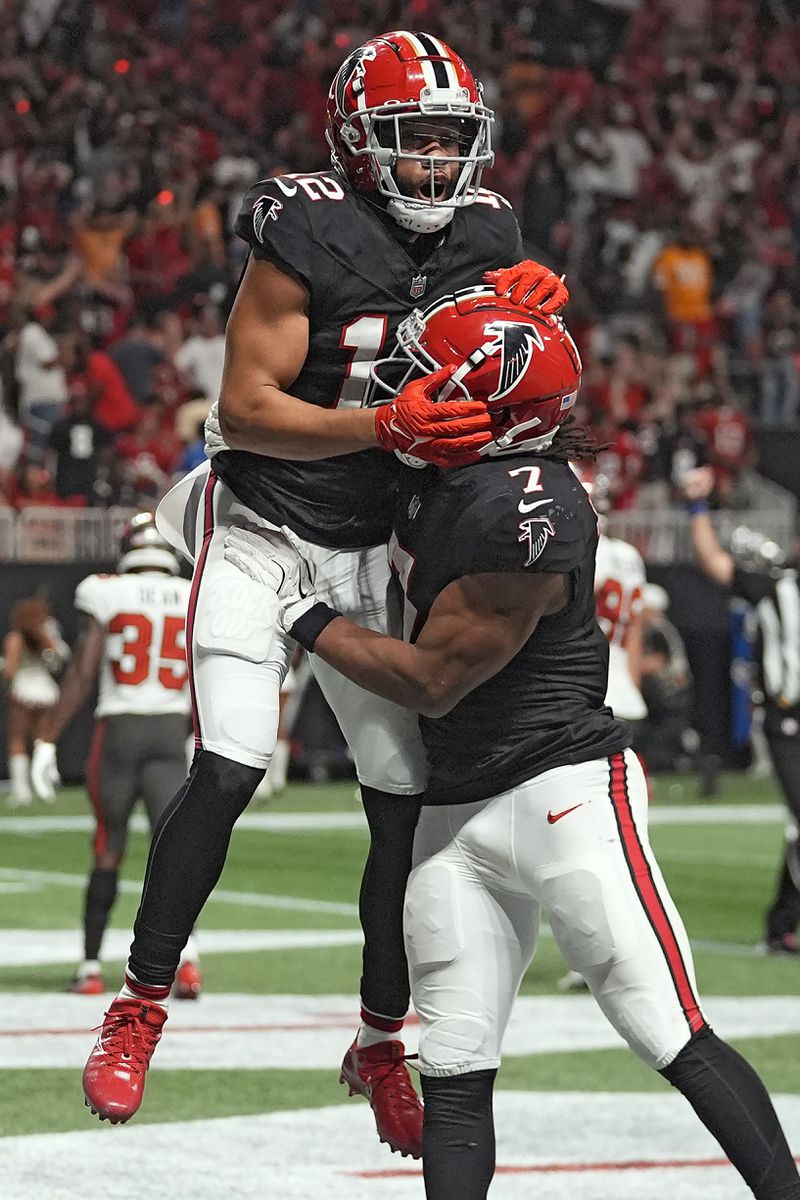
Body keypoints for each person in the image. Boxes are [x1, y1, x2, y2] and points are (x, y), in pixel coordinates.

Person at [80, 30, 569, 1149]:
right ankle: (140, 1002)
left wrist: (534, 317)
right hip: (263, 532)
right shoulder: (301, 226)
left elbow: (500, 368)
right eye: (416, 138)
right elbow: (244, 410)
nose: (439, 161)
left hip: (372, 551)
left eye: (454, 139)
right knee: (230, 764)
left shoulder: (487, 230)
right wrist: (381, 425)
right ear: (357, 141)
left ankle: (378, 1037)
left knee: (401, 805)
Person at [224, 292, 799, 1200]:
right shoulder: (452, 470)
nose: (406, 388)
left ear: (496, 414)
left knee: (667, 1031)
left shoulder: (529, 506)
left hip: (562, 795)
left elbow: (431, 680)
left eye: (430, 377)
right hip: (455, 813)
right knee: (454, 1075)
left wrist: (297, 609)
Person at [30, 515, 202, 998]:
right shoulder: (193, 593)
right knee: (175, 853)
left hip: (119, 734)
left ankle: (89, 967)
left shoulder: (105, 591)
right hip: (173, 734)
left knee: (108, 848)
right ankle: (186, 964)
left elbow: (84, 673)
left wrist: (48, 736)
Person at [684, 465, 800, 956]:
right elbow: (714, 561)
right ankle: (782, 926)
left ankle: (781, 925)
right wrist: (696, 507)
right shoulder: (776, 584)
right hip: (788, 719)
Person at [3, 595, 69, 806]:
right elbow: (59, 661)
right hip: (46, 691)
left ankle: (22, 791)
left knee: (17, 739)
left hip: (24, 691)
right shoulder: (46, 638)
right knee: (43, 739)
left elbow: (11, 672)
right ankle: (46, 785)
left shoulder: (16, 639)